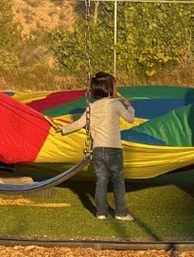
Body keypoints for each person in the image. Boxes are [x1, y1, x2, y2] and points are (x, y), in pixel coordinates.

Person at [57, 71, 135, 221]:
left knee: (101, 181)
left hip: (98, 150)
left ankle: (101, 212)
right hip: (114, 150)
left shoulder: (91, 107)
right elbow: (130, 118)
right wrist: (130, 106)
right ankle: (121, 213)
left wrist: (64, 129)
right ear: (110, 89)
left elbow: (79, 124)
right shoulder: (116, 104)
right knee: (118, 181)